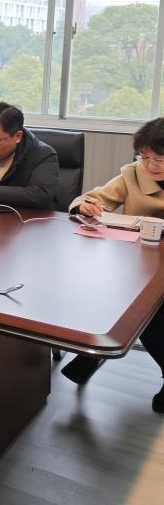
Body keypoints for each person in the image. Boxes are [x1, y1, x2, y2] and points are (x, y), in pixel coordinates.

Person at [61, 118, 164, 403]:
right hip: (140, 261)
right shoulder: (133, 174)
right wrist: (86, 206)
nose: (150, 165)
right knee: (109, 293)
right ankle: (94, 351)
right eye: (144, 157)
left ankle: (92, 356)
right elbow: (90, 199)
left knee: (151, 313)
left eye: (159, 158)